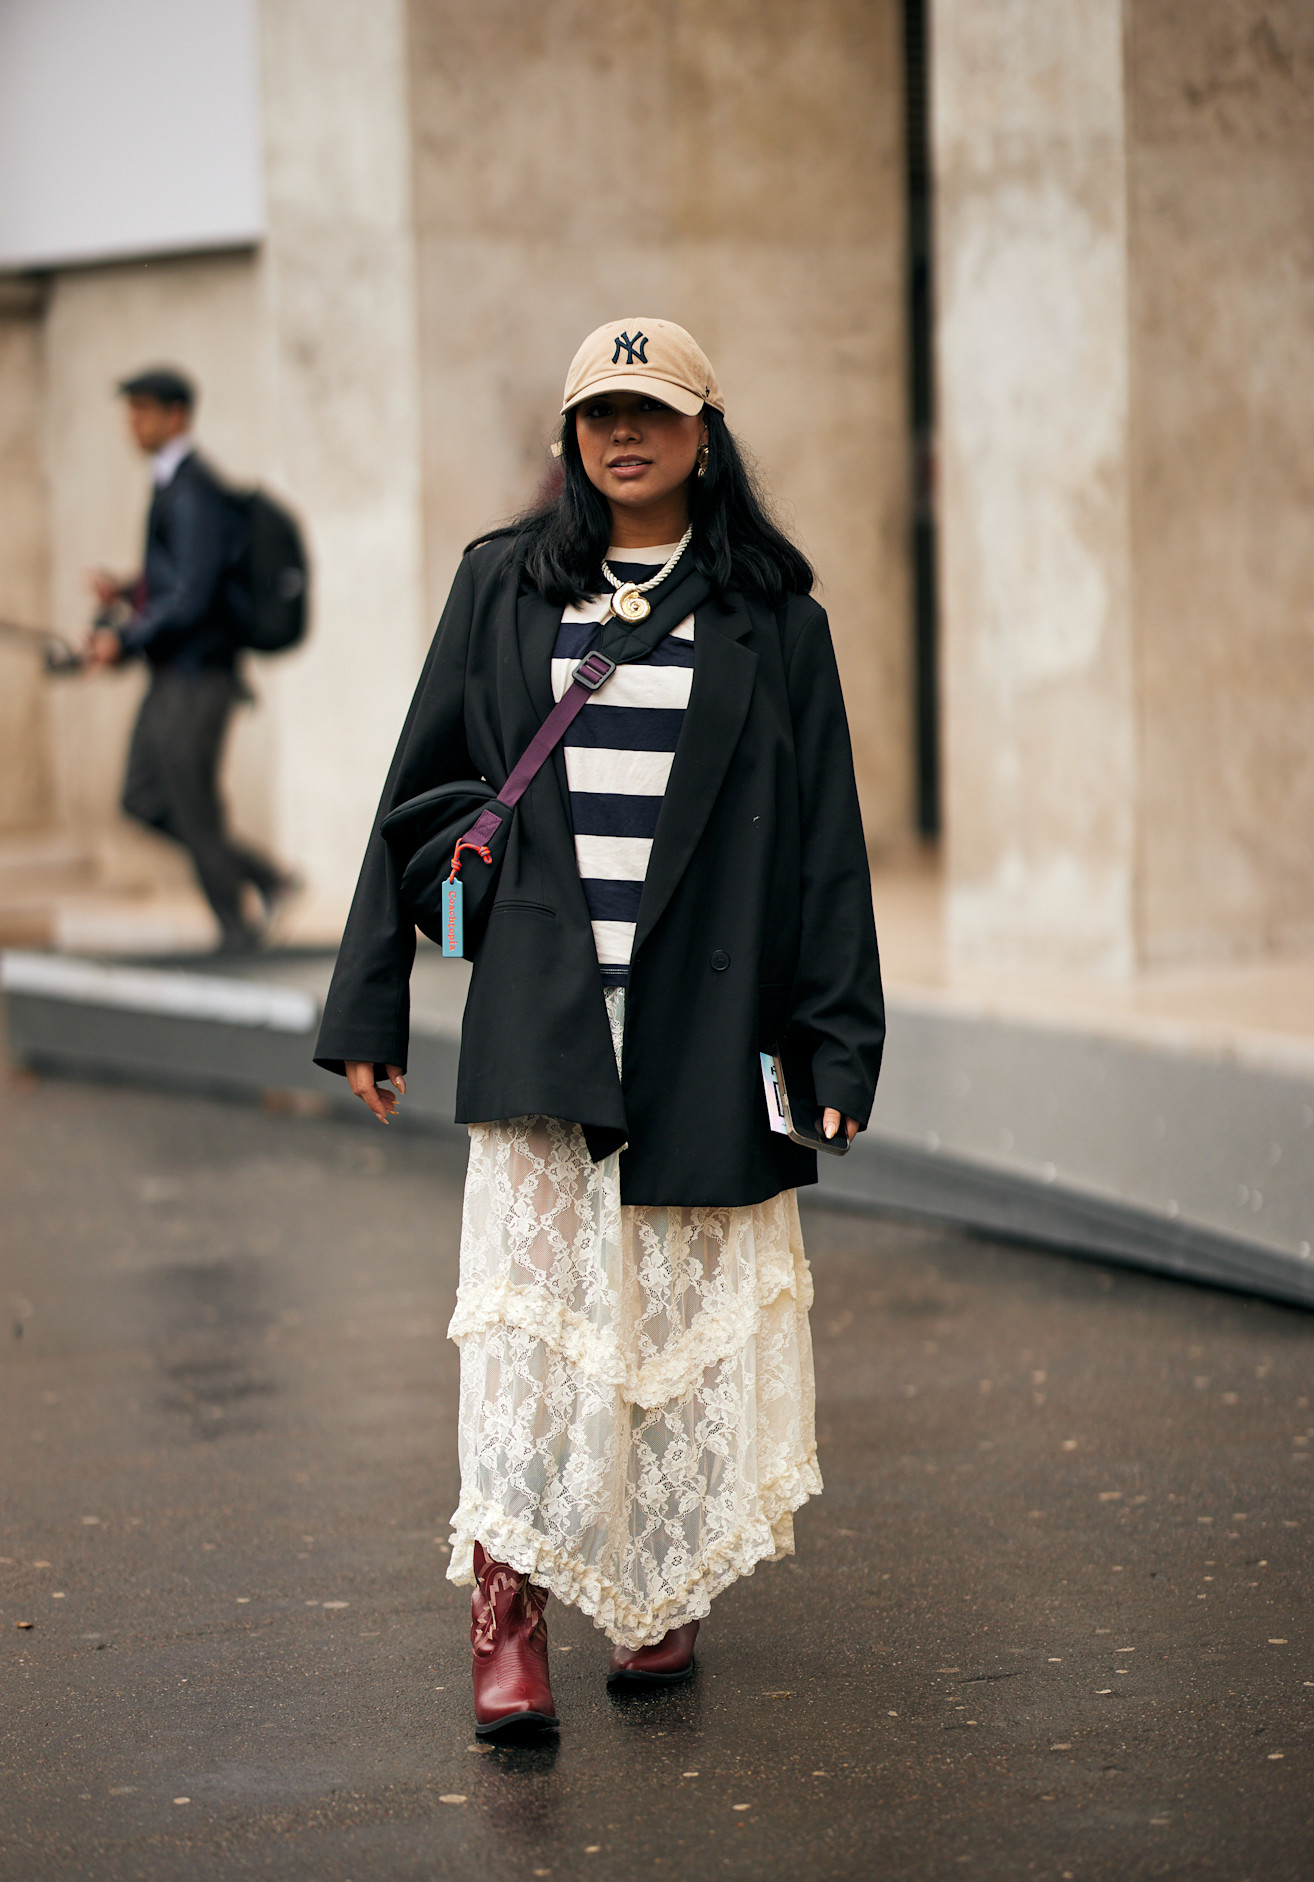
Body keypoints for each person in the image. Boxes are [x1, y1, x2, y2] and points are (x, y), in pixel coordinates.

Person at [315, 318, 885, 1735]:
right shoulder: (502, 587)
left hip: (707, 1026)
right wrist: (370, 1001)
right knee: (531, 1341)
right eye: (597, 415)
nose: (622, 435)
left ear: (705, 433)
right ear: (571, 440)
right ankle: (506, 1617)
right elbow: (416, 792)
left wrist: (838, 1044)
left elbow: (825, 850)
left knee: (676, 1325)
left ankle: (658, 1593)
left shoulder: (774, 619)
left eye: (652, 411)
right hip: (546, 1020)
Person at [84, 366, 295, 953]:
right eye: (131, 411)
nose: (134, 422)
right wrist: (127, 592)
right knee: (143, 796)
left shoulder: (194, 490)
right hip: (173, 674)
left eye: (145, 410)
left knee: (189, 799)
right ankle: (265, 878)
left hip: (199, 676)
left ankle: (235, 926)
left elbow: (193, 596)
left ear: (178, 416)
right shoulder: (173, 485)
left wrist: (122, 640)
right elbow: (178, 580)